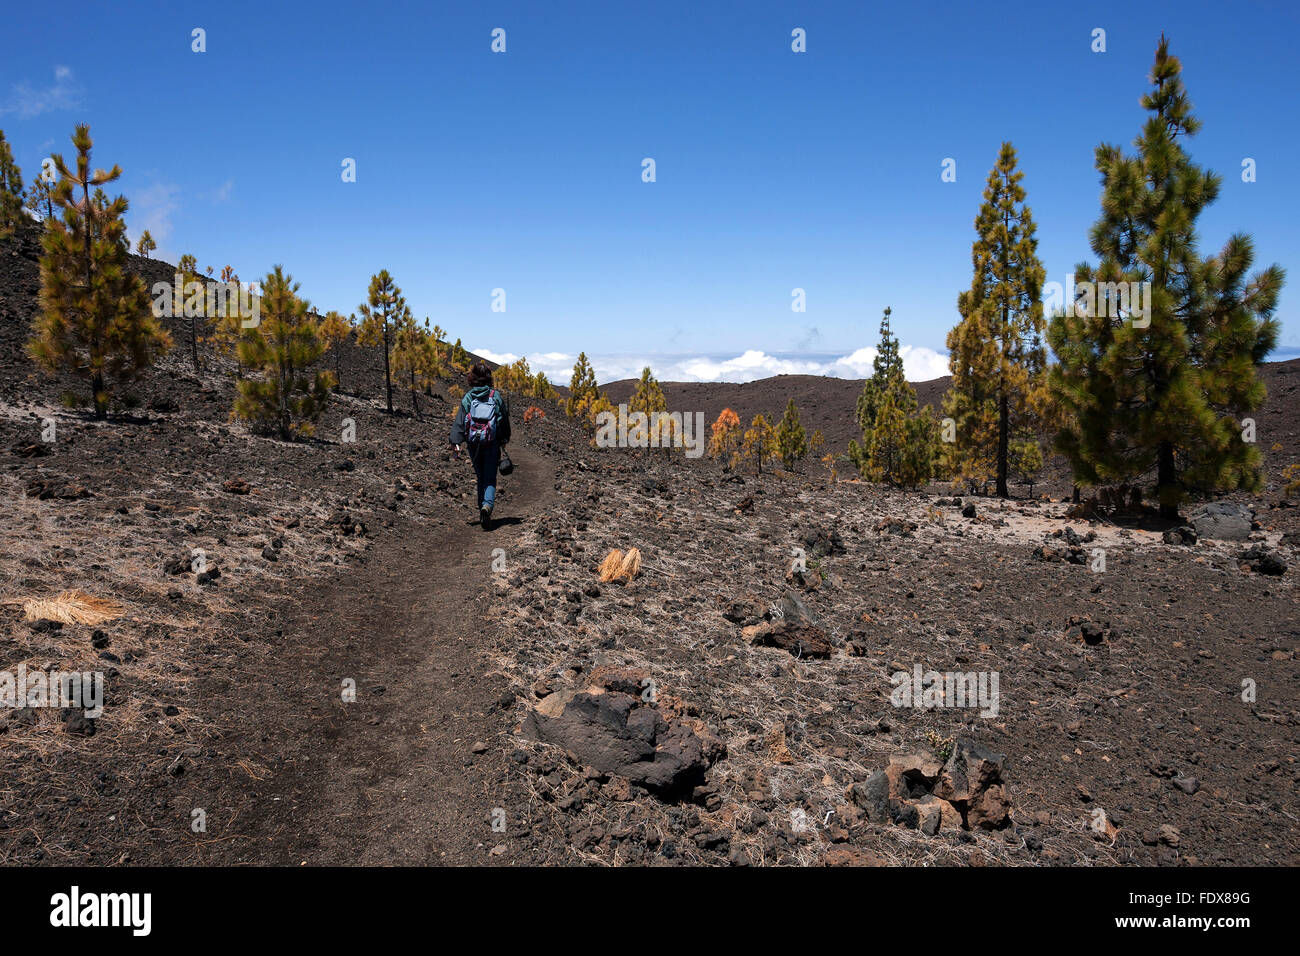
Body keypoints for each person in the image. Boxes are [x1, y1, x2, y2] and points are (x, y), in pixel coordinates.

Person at [450, 362, 511, 529]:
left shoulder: (468, 397)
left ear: (473, 378)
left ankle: (482, 509)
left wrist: (456, 444)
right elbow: (503, 419)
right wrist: (505, 438)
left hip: (473, 443)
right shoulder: (495, 396)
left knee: (480, 477)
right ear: (489, 378)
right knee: (490, 477)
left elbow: (460, 422)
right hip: (491, 442)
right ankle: (487, 506)